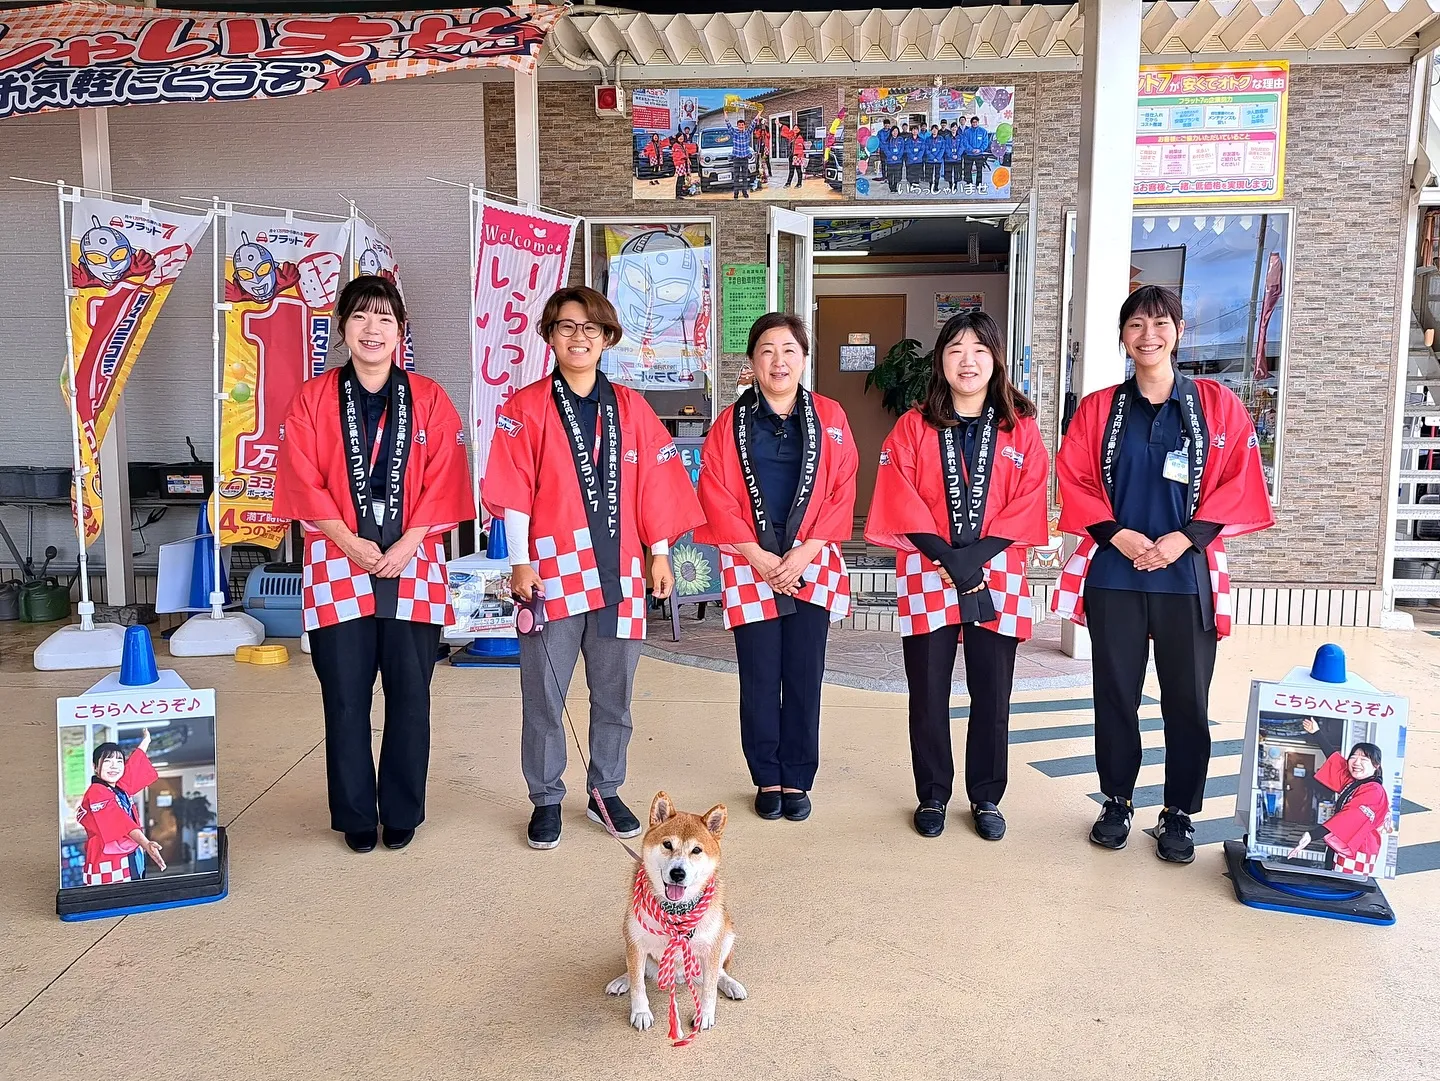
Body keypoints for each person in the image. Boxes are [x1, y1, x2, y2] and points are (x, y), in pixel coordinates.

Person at [1053, 285, 1274, 864]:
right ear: (1122, 336)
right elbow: (1072, 479)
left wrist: (1184, 539)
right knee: (1115, 698)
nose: (1147, 334)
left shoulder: (1217, 404)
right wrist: (1117, 536)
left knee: (1186, 701)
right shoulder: (1099, 408)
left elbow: (1240, 479)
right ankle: (1118, 800)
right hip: (1116, 576)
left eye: (1160, 322)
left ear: (1179, 331)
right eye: (1135, 324)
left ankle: (1179, 812)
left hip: (1185, 576)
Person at [482, 287, 705, 850]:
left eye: (590, 328)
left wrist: (660, 554)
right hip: (550, 571)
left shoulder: (632, 407)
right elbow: (512, 494)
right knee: (544, 694)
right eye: (565, 326)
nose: (578, 337)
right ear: (549, 336)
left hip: (622, 572)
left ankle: (606, 789)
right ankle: (546, 798)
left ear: (608, 338)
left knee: (615, 696)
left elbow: (658, 485)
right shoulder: (525, 408)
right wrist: (519, 561)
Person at [274, 274, 473, 854]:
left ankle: (404, 808)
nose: (372, 329)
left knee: (411, 696)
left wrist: (408, 543)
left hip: (414, 565)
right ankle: (357, 813)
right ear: (342, 329)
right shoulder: (312, 399)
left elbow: (446, 479)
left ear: (401, 332)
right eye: (360, 317)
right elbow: (301, 479)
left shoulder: (431, 398)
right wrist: (349, 541)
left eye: (385, 319)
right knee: (345, 698)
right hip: (338, 564)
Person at [866, 313, 1049, 840]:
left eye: (979, 350)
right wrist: (950, 559)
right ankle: (933, 794)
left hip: (999, 575)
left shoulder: (1022, 428)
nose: (967, 360)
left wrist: (973, 559)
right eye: (955, 349)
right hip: (928, 571)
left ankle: (987, 796)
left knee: (993, 694)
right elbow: (899, 497)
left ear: (996, 359)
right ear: (941, 360)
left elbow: (1029, 499)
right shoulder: (913, 425)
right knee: (927, 691)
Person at [696, 313, 858, 823]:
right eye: (767, 350)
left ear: (804, 359)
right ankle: (767, 775)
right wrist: (759, 556)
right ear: (751, 362)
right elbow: (715, 493)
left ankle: (798, 777)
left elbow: (842, 489)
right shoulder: (730, 424)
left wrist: (802, 554)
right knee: (761, 676)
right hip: (751, 565)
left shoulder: (831, 418)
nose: (778, 360)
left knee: (805, 674)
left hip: (812, 561)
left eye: (789, 349)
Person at [1286, 719, 1391, 875]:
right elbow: (1336, 762)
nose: (1356, 762)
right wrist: (1317, 733)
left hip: (1357, 850)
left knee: (1342, 886)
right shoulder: (1355, 782)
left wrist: (1312, 835)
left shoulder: (1374, 790)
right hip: (1341, 841)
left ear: (1376, 766)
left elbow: (1350, 816)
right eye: (1354, 757)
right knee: (1331, 877)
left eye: (1364, 759)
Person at [76, 728, 166, 885]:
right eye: (107, 761)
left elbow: (133, 766)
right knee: (116, 899)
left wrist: (146, 741)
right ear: (95, 767)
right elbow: (117, 819)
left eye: (119, 762)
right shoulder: (97, 792)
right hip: (108, 859)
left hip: (130, 853)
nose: (114, 766)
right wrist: (145, 843)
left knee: (134, 893)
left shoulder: (120, 787)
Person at [960, 116, 991, 194]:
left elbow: (985, 143)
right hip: (969, 154)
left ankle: (978, 184)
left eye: (976, 122)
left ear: (978, 122)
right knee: (968, 170)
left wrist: (979, 150)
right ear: (971, 123)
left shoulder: (983, 131)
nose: (974, 123)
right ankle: (969, 184)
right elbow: (965, 142)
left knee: (979, 170)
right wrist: (971, 149)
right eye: (973, 122)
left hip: (979, 154)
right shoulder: (967, 132)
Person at [726, 114, 754, 200]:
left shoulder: (747, 133)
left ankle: (745, 192)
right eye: (739, 125)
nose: (741, 126)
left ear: (744, 126)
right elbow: (728, 124)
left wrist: (759, 112)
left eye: (742, 125)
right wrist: (725, 113)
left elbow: (754, 123)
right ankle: (736, 193)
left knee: (745, 176)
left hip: (745, 158)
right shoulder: (734, 133)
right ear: (737, 126)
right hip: (736, 158)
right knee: (736, 176)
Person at [883, 125, 905, 194]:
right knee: (890, 175)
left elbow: (902, 149)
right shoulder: (888, 140)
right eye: (893, 131)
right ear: (891, 132)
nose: (895, 132)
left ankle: (895, 186)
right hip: (890, 161)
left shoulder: (901, 139)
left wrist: (897, 157)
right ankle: (890, 186)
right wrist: (891, 156)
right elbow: (886, 150)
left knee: (897, 175)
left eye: (896, 131)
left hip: (898, 161)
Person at [903, 125, 925, 193]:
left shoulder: (921, 140)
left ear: (918, 131)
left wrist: (918, 156)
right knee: (911, 172)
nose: (915, 131)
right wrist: (912, 156)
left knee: (917, 172)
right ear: (911, 131)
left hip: (918, 160)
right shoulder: (908, 140)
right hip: (910, 159)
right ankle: (911, 184)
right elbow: (907, 149)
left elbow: (922, 149)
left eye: (916, 130)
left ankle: (916, 183)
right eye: (913, 130)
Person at [925, 124, 945, 193]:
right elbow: (926, 149)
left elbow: (942, 149)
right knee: (930, 174)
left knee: (937, 174)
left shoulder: (941, 139)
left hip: (938, 160)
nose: (934, 131)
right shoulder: (928, 139)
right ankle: (931, 186)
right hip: (930, 160)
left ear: (937, 130)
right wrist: (932, 157)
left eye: (936, 129)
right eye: (933, 129)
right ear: (931, 130)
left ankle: (936, 186)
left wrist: (937, 157)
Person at [943, 123, 963, 191]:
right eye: (952, 127)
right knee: (948, 172)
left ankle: (955, 185)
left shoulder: (960, 137)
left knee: (957, 172)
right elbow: (946, 147)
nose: (954, 129)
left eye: (955, 127)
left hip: (958, 158)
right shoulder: (946, 137)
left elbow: (962, 147)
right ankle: (950, 184)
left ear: (957, 128)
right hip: (949, 158)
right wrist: (951, 155)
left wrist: (957, 155)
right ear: (950, 128)